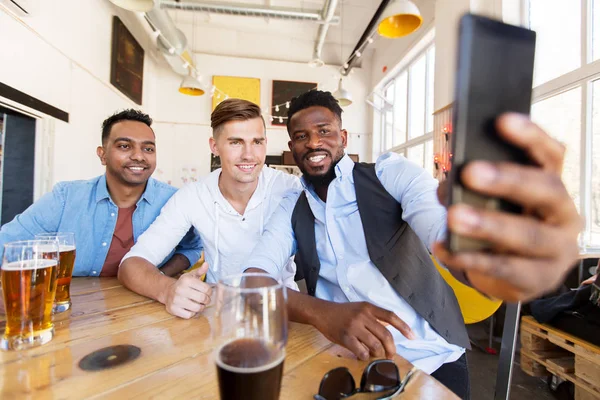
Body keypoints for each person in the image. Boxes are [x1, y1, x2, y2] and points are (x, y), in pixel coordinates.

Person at [244, 90, 581, 399]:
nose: (314, 142)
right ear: (292, 148)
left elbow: (440, 229)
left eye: (324, 131)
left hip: (430, 358)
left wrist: (491, 253)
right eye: (302, 137)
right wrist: (323, 313)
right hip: (347, 360)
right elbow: (252, 280)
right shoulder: (291, 205)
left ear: (343, 137)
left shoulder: (390, 175)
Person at [118, 99, 301, 319]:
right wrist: (167, 290)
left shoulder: (291, 189)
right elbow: (131, 265)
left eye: (257, 142)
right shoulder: (193, 195)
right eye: (236, 142)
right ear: (214, 146)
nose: (249, 154)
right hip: (218, 313)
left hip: (285, 311)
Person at [0, 109, 201, 277]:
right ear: (102, 154)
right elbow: (8, 243)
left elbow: (192, 248)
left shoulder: (175, 200)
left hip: (145, 306)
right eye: (124, 146)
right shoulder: (66, 197)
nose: (139, 156)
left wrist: (157, 277)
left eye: (148, 149)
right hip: (75, 308)